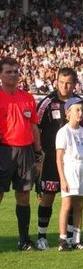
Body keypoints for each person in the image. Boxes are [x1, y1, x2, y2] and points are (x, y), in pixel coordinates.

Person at [35, 67, 83, 250]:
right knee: (48, 197)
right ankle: (42, 235)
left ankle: (71, 237)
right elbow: (36, 128)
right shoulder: (47, 102)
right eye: (61, 82)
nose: (65, 86)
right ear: (56, 81)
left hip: (72, 162)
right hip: (51, 159)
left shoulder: (80, 103)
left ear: (74, 84)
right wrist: (38, 155)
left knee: (72, 199)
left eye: (69, 82)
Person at [0, 57, 43, 251]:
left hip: (26, 151)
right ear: (1, 75)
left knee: (24, 196)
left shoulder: (27, 97)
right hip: (4, 150)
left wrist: (38, 151)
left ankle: (24, 240)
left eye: (15, 71)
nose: (13, 75)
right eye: (8, 72)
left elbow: (34, 126)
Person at [55, 97, 83, 251]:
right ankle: (63, 239)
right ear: (68, 112)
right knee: (66, 205)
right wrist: (62, 179)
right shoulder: (63, 132)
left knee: (79, 206)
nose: (80, 113)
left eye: (82, 110)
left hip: (82, 168)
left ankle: (76, 239)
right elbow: (59, 158)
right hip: (70, 168)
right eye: (77, 109)